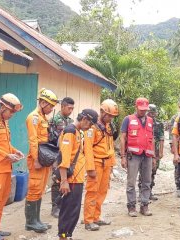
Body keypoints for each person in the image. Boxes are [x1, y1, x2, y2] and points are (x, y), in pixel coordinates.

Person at [58, 109, 98, 240]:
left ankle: (67, 235)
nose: (90, 127)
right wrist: (64, 181)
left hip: (77, 178)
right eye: (90, 124)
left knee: (74, 211)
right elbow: (64, 158)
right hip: (71, 179)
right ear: (85, 119)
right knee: (68, 211)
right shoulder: (70, 132)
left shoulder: (78, 132)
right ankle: (63, 236)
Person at [25, 88, 59, 233]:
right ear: (43, 102)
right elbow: (33, 141)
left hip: (44, 158)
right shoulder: (33, 117)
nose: (51, 109)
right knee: (34, 188)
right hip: (37, 159)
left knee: (40, 189)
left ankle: (37, 220)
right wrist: (36, 160)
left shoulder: (43, 118)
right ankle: (30, 222)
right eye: (50, 105)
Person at [0, 93, 25, 240]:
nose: (12, 115)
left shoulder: (4, 123)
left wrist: (14, 151)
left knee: (2, 200)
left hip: (6, 169)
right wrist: (6, 155)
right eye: (11, 112)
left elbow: (4, 144)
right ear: (3, 107)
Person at [83, 99, 119, 231]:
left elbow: (110, 146)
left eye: (112, 116)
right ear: (102, 112)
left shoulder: (108, 126)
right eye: (108, 115)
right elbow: (87, 149)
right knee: (92, 191)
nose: (110, 118)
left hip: (107, 163)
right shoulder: (92, 127)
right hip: (97, 163)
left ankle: (96, 217)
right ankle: (88, 220)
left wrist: (112, 164)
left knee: (102, 191)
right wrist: (90, 168)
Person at [120, 97, 154, 217]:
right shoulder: (128, 119)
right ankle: (131, 206)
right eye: (141, 110)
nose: (143, 112)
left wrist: (153, 156)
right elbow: (123, 138)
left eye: (145, 110)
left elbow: (152, 138)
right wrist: (123, 156)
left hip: (147, 155)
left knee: (147, 181)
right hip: (133, 155)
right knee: (131, 182)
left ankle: (144, 206)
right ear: (136, 107)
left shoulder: (150, 120)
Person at [50, 97, 75, 218]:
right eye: (69, 108)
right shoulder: (54, 119)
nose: (70, 110)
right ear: (63, 106)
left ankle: (63, 205)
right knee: (56, 180)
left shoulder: (71, 121)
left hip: (68, 154)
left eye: (72, 108)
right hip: (56, 154)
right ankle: (55, 207)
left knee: (67, 178)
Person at [138, 104, 164, 201]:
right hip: (144, 150)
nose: (151, 115)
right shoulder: (142, 122)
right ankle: (141, 193)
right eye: (150, 113)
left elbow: (161, 138)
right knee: (143, 171)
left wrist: (161, 152)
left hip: (155, 151)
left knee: (153, 171)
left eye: (153, 113)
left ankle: (149, 192)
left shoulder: (159, 124)